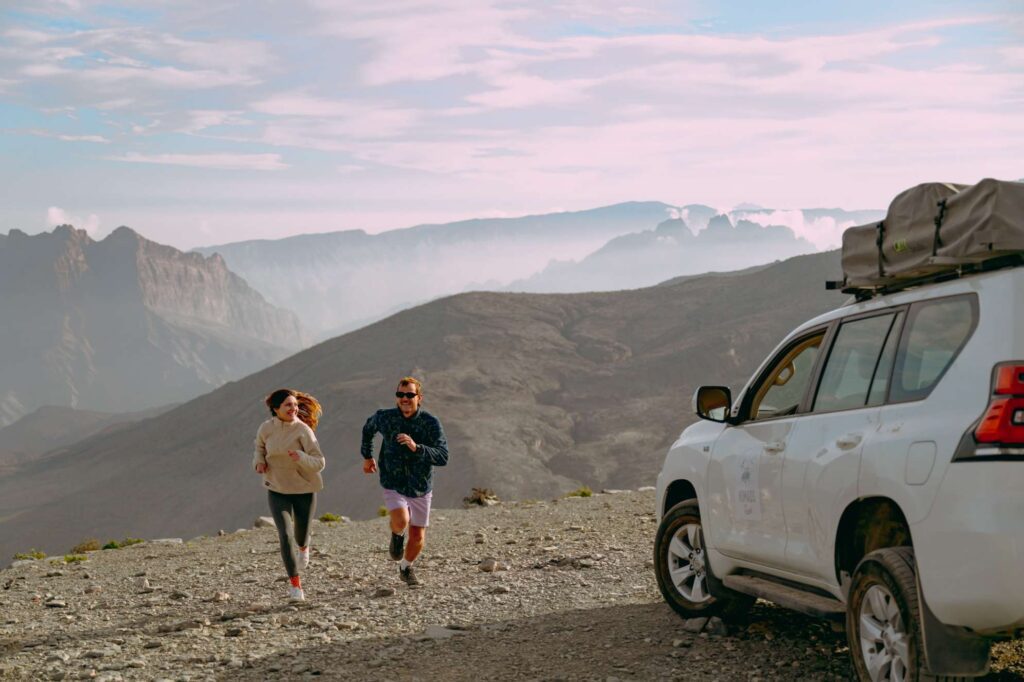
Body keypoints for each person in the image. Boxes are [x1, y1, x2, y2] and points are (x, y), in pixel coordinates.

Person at [361, 377, 448, 586]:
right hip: (393, 481)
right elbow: (368, 429)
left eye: (410, 395)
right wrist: (367, 456)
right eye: (400, 395)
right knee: (401, 520)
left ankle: (406, 567)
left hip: (420, 486)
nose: (405, 399)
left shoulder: (430, 422)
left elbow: (443, 456)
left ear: (419, 398)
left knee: (417, 536)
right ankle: (397, 534)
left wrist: (416, 447)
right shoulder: (385, 417)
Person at [253, 388, 325, 601]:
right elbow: (259, 447)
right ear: (275, 409)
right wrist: (259, 461)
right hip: (277, 488)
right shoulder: (266, 428)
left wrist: (301, 457)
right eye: (288, 405)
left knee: (300, 535)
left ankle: (304, 546)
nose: (294, 409)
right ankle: (295, 586)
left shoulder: (303, 430)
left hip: (304, 489)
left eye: (295, 405)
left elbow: (320, 462)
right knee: (284, 535)